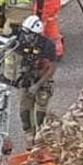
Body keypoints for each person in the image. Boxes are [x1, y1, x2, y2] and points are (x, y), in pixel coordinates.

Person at [12, 15, 57, 144]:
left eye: (29, 34)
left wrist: (37, 85)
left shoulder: (47, 45)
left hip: (42, 79)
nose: (25, 37)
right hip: (26, 78)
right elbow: (15, 60)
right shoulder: (20, 42)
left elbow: (51, 68)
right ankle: (29, 133)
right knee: (24, 109)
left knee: (41, 109)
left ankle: (41, 133)